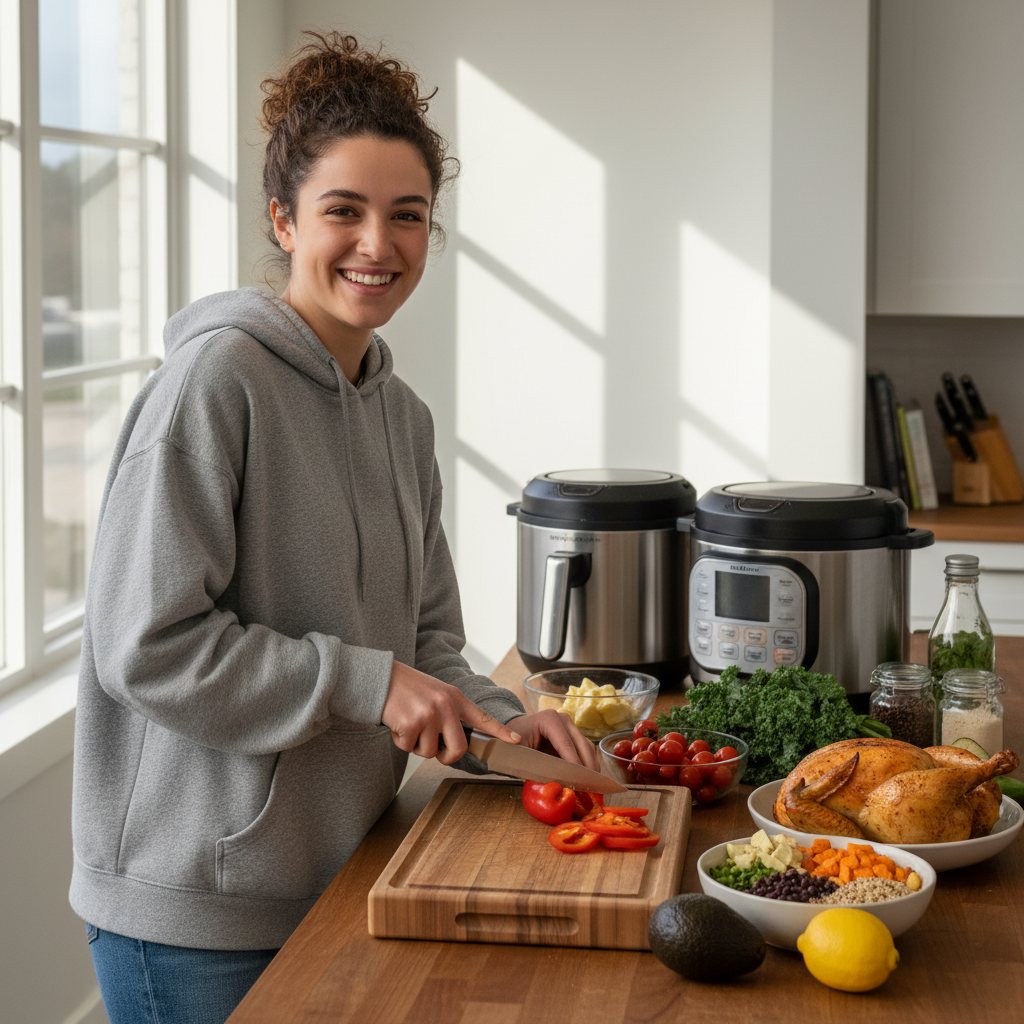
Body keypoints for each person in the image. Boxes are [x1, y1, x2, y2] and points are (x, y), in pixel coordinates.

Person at [70, 32, 599, 1024]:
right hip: (197, 906)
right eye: (343, 211)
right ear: (283, 218)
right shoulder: (213, 383)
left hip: (348, 862)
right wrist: (366, 681)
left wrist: (497, 714)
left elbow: (427, 635)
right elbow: (143, 646)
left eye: (407, 217)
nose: (377, 244)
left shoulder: (402, 417)